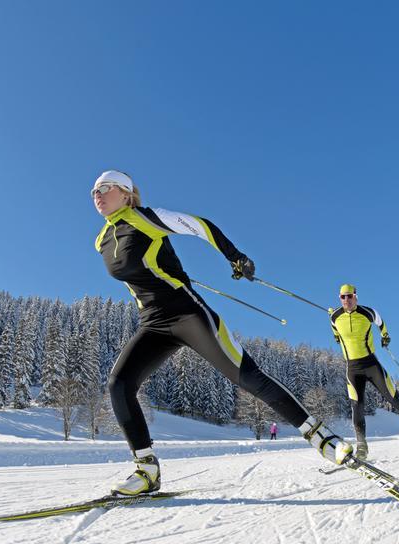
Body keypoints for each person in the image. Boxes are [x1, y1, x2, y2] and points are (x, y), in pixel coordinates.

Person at [92, 170, 353, 495]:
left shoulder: (146, 217)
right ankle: (146, 470)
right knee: (119, 384)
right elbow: (141, 270)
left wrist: (235, 257)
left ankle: (320, 436)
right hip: (152, 324)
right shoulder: (102, 240)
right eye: (93, 191)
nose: (97, 194)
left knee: (246, 375)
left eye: (105, 188)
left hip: (187, 313)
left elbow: (201, 226)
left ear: (127, 193)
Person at [329, 283, 399, 460]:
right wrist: (336, 334)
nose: (346, 299)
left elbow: (381, 324)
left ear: (356, 296)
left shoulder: (368, 313)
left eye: (349, 296)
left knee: (395, 399)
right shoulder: (334, 317)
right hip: (352, 368)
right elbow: (335, 334)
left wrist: (385, 336)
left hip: (371, 364)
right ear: (339, 298)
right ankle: (362, 446)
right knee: (357, 407)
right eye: (342, 296)